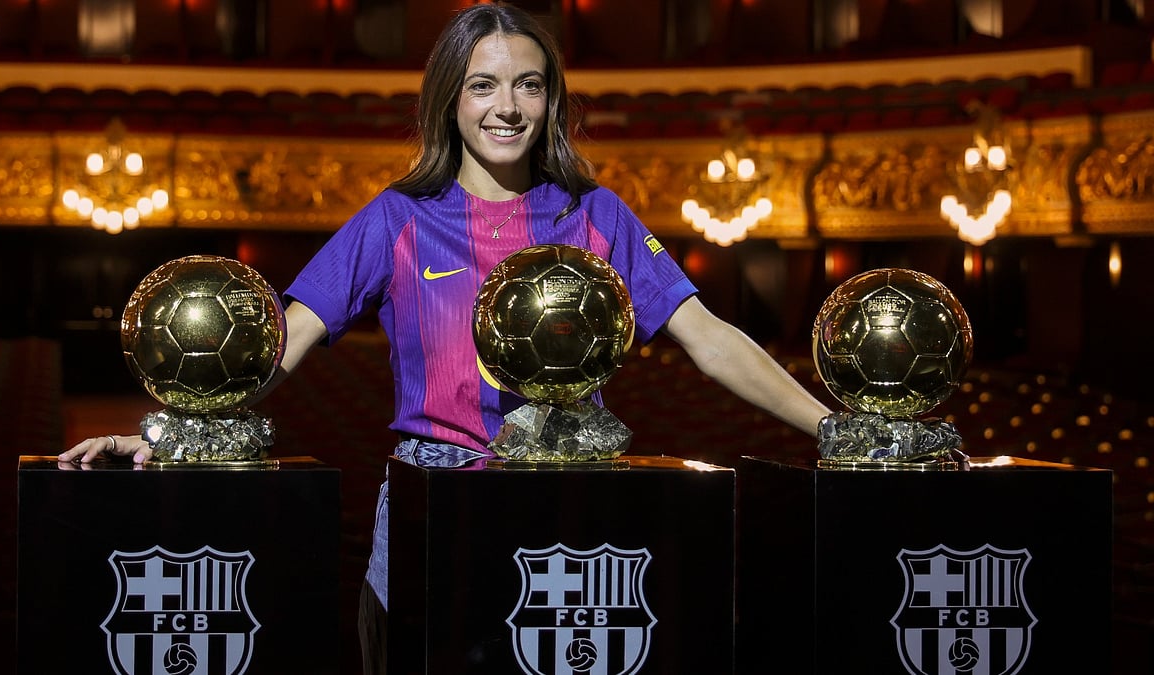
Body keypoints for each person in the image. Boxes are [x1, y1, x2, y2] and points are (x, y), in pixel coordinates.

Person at [61, 3, 832, 672]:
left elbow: (710, 337)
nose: (509, 106)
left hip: (567, 522)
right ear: (451, 101)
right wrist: (164, 437)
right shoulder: (397, 218)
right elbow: (279, 343)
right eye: (483, 84)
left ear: (552, 101)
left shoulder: (596, 215)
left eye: (529, 84)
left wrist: (831, 429)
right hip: (432, 515)